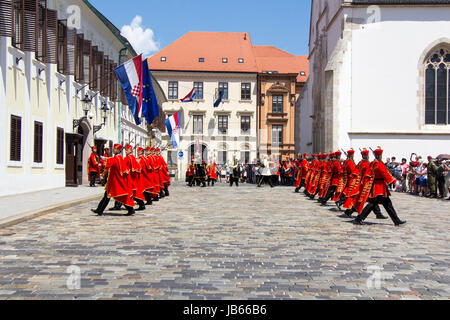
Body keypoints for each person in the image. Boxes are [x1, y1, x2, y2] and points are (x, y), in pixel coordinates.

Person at [354, 147, 406, 226]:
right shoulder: (378, 164)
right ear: (380, 155)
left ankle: (396, 220)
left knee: (387, 204)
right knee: (372, 204)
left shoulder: (373, 163)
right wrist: (394, 182)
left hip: (379, 186)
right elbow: (385, 173)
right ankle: (359, 218)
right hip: (379, 187)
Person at [91, 144, 135, 216]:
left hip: (115, 181)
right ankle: (99, 210)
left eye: (114, 149)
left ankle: (130, 209)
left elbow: (109, 163)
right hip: (114, 180)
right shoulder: (119, 157)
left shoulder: (117, 158)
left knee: (118, 196)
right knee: (108, 196)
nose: (113, 150)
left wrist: (103, 174)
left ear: (118, 150)